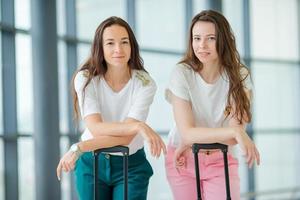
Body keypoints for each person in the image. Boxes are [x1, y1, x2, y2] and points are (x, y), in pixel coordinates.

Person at [56, 16, 166, 200]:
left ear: (132, 46)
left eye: (124, 42)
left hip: (131, 165)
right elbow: (96, 128)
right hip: (91, 165)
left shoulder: (145, 83)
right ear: (100, 47)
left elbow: (125, 138)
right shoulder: (85, 79)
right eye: (110, 43)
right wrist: (138, 126)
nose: (118, 49)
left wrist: (80, 147)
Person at [164, 10, 260, 200]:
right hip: (183, 158)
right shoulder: (181, 73)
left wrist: (234, 133)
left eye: (211, 38)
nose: (202, 45)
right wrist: (234, 132)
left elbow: (234, 138)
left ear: (223, 40)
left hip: (221, 159)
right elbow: (188, 133)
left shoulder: (240, 76)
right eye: (196, 38)